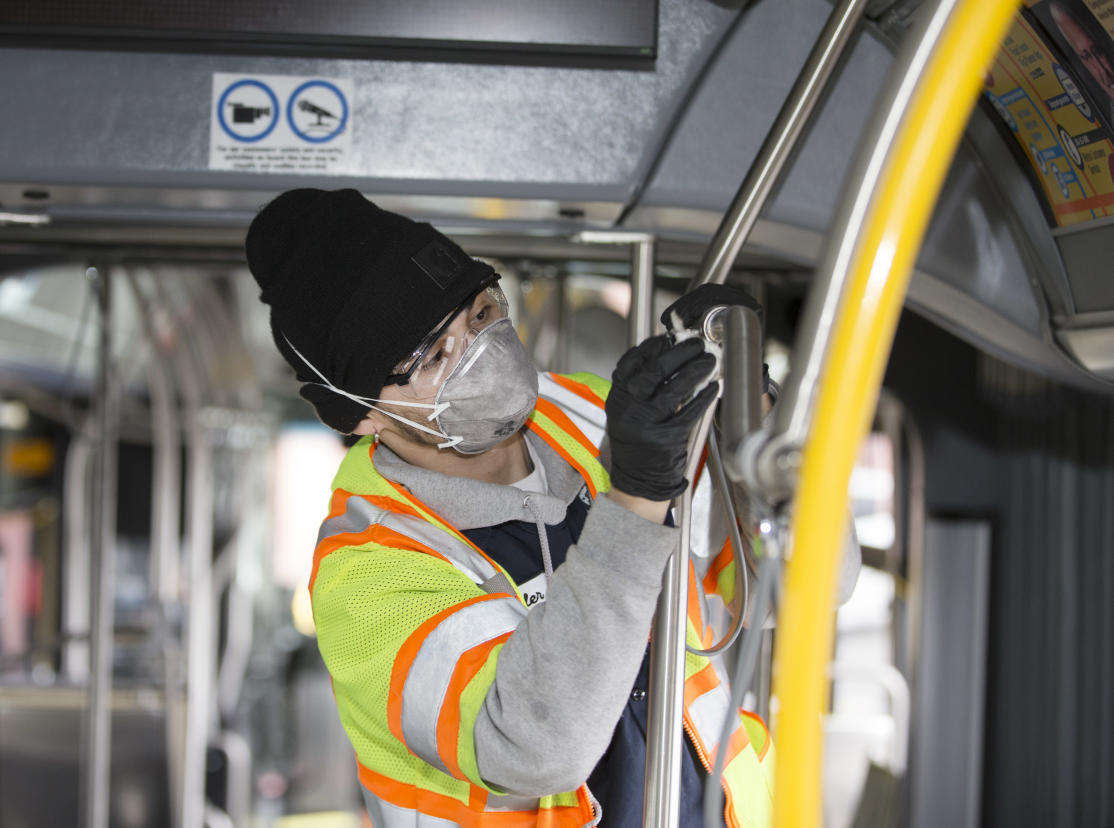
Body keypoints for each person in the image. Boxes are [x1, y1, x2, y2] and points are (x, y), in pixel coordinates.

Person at [245, 188, 782, 827]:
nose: (480, 352)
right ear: (362, 414)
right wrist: (635, 498)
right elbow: (532, 748)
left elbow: (797, 590)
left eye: (480, 314)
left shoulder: (596, 414)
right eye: (433, 356)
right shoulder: (366, 575)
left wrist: (755, 420)